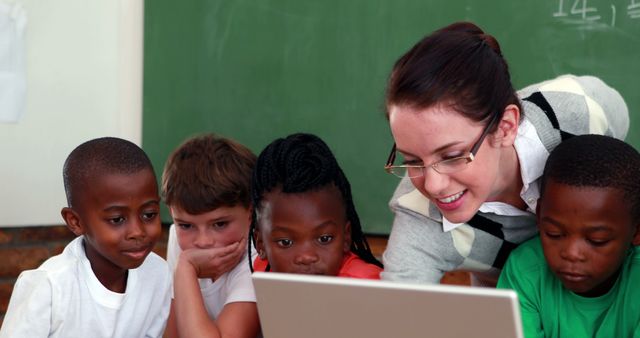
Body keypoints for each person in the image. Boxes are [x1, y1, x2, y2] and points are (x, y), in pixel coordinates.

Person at [380, 21, 629, 286]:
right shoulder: (418, 216)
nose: (433, 185)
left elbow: (619, 127)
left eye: (452, 155)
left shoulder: (574, 116)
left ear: (506, 126)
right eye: (413, 161)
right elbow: (397, 317)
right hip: (512, 315)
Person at [0, 137, 171, 338]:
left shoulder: (158, 274)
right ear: (75, 222)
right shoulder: (49, 287)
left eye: (149, 214)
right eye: (117, 219)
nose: (137, 231)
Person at [497, 134, 640, 338]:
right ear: (539, 216)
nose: (572, 253)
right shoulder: (526, 270)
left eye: (597, 240)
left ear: (637, 231)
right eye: (554, 234)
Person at [162, 134, 261, 338]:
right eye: (186, 225)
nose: (203, 242)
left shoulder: (258, 255)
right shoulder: (179, 241)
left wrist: (185, 270)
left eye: (220, 224)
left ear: (251, 213)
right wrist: (185, 268)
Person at [250, 133, 382, 278]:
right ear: (261, 244)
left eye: (324, 239)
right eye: (285, 242)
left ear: (346, 237)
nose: (306, 257)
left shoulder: (365, 285)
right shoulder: (261, 272)